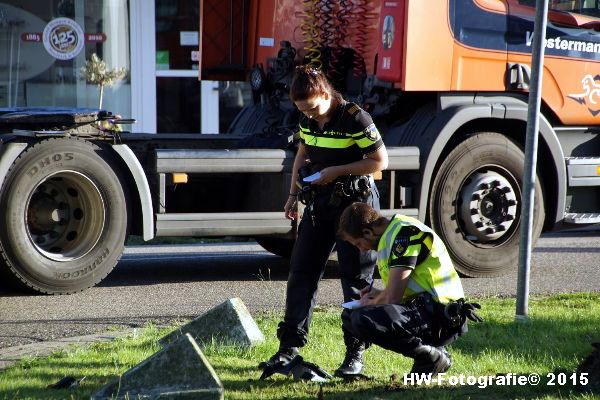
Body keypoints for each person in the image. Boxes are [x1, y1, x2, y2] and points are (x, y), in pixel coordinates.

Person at [260, 65, 389, 378]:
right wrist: (292, 196)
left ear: (326, 93)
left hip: (355, 206)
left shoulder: (355, 117)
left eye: (314, 107)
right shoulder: (307, 119)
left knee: (356, 279)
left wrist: (335, 172)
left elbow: (379, 161)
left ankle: (355, 355)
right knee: (301, 272)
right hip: (320, 205)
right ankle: (288, 348)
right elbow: (302, 155)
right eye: (303, 110)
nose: (311, 115)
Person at [337, 202, 482, 375]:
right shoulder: (394, 233)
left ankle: (432, 358)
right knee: (351, 314)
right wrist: (378, 294)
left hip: (443, 317)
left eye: (358, 243)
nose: (361, 250)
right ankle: (430, 354)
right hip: (427, 310)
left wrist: (375, 300)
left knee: (363, 317)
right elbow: (404, 289)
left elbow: (393, 298)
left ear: (368, 232)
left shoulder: (404, 235)